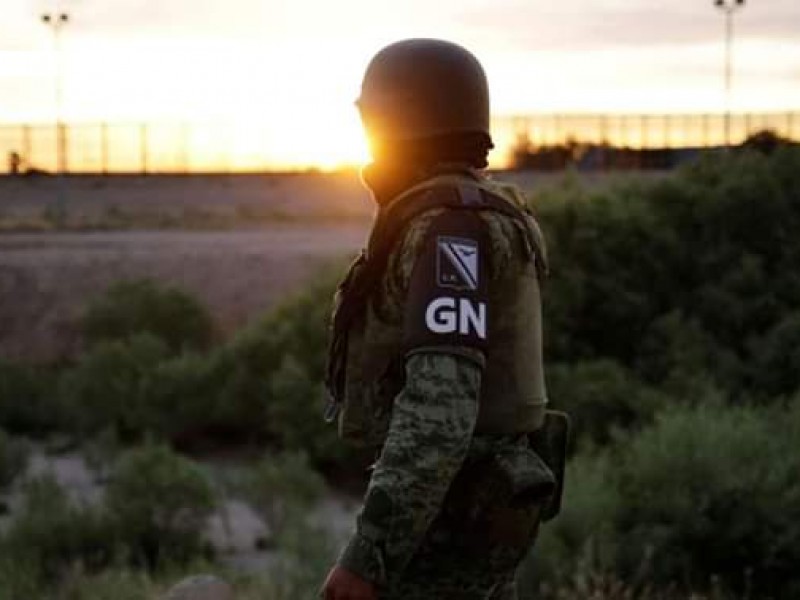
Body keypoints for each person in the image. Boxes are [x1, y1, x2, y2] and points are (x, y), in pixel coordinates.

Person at [321, 39, 560, 600]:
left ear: (401, 121)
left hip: (448, 525)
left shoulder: (450, 228)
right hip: (461, 511)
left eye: (374, 120)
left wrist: (368, 558)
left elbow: (440, 410)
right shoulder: (470, 214)